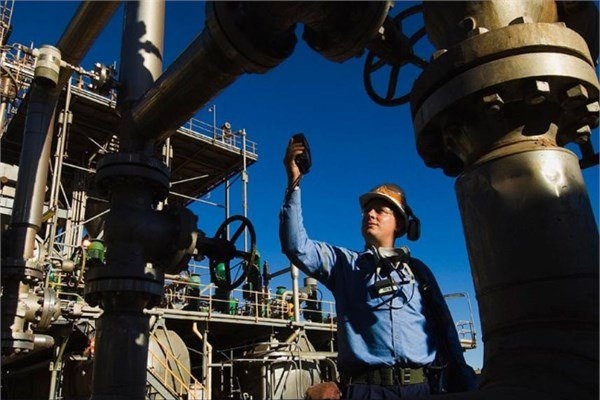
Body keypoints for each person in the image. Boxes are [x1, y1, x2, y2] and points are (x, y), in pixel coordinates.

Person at [279, 138, 477, 399]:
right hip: (366, 390)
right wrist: (294, 181)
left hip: (420, 388)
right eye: (367, 211)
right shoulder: (343, 265)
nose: (370, 214)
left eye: (380, 210)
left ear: (399, 223)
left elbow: (445, 328)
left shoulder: (418, 272)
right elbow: (295, 246)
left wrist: (464, 380)